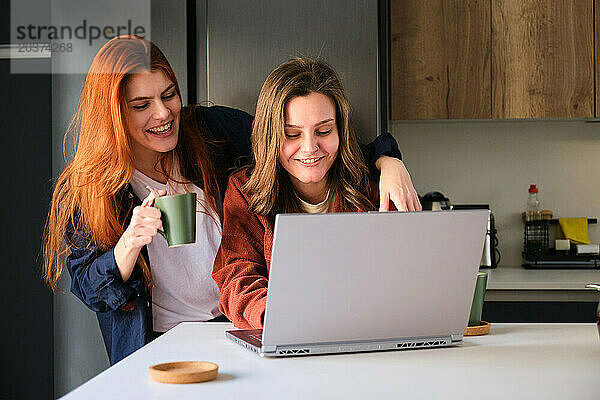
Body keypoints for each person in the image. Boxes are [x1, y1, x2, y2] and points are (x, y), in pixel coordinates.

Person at [42, 36, 419, 365]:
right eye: (141, 105)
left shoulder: (209, 131)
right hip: (156, 343)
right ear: (113, 115)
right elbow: (91, 288)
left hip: (235, 331)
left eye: (169, 94)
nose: (163, 113)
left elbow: (295, 138)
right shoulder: (89, 188)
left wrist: (389, 159)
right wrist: (128, 244)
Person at [212, 57, 406, 329]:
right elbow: (236, 275)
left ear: (340, 129)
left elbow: (405, 271)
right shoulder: (245, 191)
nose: (309, 148)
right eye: (292, 134)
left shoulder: (375, 185)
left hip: (368, 331)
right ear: (271, 136)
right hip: (286, 333)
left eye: (324, 130)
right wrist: (276, 317)